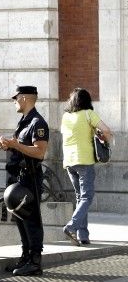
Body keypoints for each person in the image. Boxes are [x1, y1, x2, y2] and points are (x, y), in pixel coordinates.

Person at [0, 86, 49, 276]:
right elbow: (22, 148)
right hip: (19, 177)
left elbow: (40, 152)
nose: (14, 102)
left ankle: (35, 262)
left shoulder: (38, 123)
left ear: (24, 98)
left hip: (30, 177)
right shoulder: (24, 122)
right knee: (20, 219)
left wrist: (15, 144)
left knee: (32, 219)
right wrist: (9, 146)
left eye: (16, 98)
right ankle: (26, 257)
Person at [60, 88, 112, 245]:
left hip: (69, 162)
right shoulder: (89, 114)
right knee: (87, 197)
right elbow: (106, 130)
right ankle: (71, 226)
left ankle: (83, 235)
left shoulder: (66, 116)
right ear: (87, 101)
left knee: (79, 196)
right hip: (84, 160)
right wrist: (104, 138)